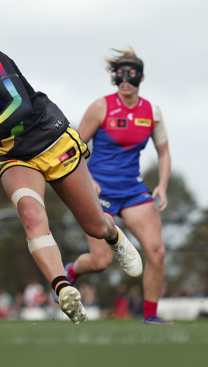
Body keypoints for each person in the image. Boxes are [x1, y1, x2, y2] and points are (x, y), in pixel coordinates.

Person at [0, 20, 143, 324]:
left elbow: (20, 103)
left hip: (50, 136)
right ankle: (63, 290)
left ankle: (113, 233)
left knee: (96, 228)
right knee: (31, 216)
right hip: (13, 155)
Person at [64, 47, 171, 325]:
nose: (125, 80)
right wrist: (89, 181)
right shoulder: (101, 106)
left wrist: (161, 185)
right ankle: (72, 270)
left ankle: (150, 316)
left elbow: (164, 152)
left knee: (157, 251)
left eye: (131, 74)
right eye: (119, 75)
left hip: (134, 191)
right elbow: (74, 147)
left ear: (141, 78)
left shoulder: (152, 112)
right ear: (115, 78)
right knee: (101, 262)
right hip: (99, 193)